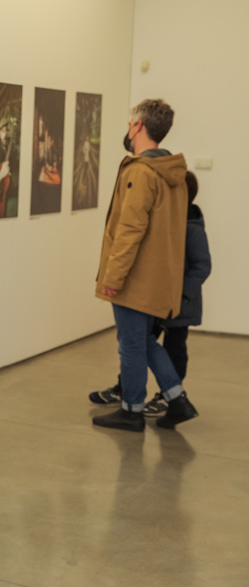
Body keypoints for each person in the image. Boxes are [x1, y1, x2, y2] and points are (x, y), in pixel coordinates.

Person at [92, 99, 199, 432]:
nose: (128, 128)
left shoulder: (140, 171)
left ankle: (131, 411)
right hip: (158, 277)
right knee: (146, 342)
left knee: (132, 344)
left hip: (135, 278)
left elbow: (130, 229)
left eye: (129, 122)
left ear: (138, 126)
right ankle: (178, 400)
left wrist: (113, 276)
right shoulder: (174, 173)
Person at [89, 170, 211, 414]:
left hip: (180, 304)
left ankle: (170, 399)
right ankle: (127, 389)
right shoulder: (166, 222)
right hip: (158, 299)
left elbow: (202, 266)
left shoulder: (191, 226)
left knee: (171, 349)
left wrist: (180, 294)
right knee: (138, 344)